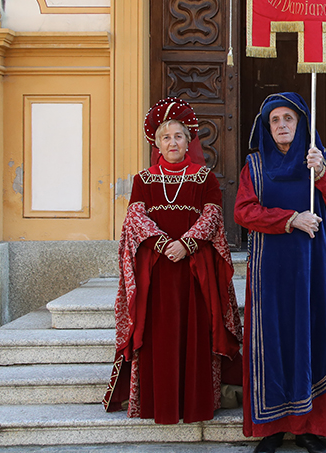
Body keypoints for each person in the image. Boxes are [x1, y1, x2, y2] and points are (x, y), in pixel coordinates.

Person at [103, 97, 242, 423]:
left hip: (195, 273)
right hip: (157, 271)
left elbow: (212, 215)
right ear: (157, 143)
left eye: (178, 136)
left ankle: (194, 403)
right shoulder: (143, 180)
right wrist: (165, 243)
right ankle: (158, 403)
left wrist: (188, 244)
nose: (173, 142)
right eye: (166, 137)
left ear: (188, 140)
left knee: (196, 335)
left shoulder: (204, 177)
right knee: (159, 338)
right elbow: (135, 217)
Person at [234, 92, 326, 453]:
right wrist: (290, 220)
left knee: (315, 338)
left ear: (301, 123)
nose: (282, 125)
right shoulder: (254, 166)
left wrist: (321, 176)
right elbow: (243, 212)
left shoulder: (320, 161)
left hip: (317, 268)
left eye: (289, 118)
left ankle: (313, 429)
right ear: (267, 128)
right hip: (272, 273)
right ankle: (271, 429)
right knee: (274, 344)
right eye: (275, 120)